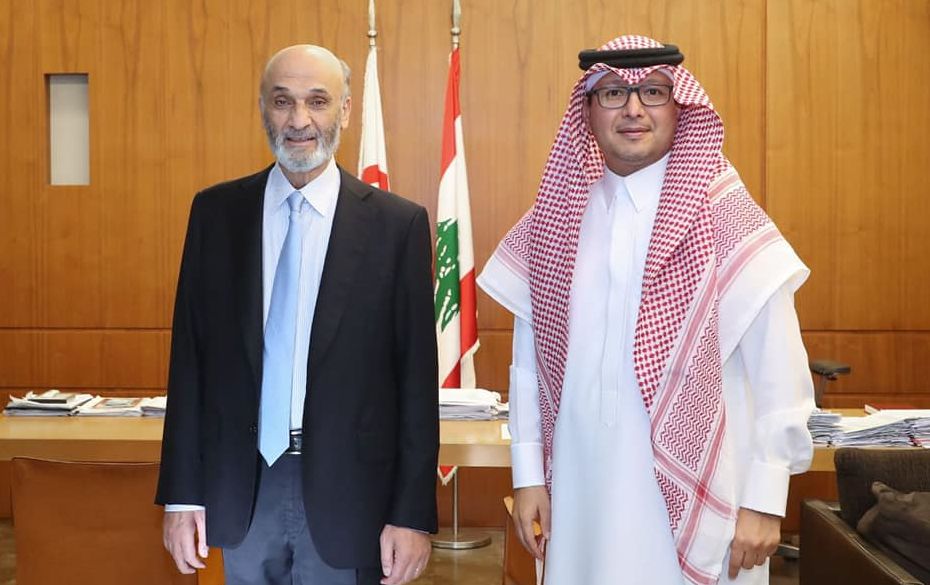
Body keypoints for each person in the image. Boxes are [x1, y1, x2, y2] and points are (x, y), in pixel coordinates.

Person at [477, 35, 816, 585]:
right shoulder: (553, 221)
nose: (633, 109)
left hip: (703, 498)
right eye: (613, 93)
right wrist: (528, 473)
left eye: (653, 92)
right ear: (588, 110)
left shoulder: (727, 221)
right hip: (579, 496)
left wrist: (766, 497)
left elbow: (780, 372)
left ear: (679, 105)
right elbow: (528, 366)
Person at [156, 45, 438, 585]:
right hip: (242, 487)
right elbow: (190, 361)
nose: (299, 120)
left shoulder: (396, 227)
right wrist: (182, 496)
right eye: (283, 101)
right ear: (263, 107)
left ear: (346, 111)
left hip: (351, 494)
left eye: (318, 101)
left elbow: (415, 385)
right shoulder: (216, 214)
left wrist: (410, 515)